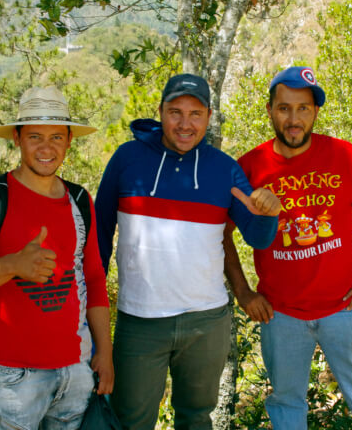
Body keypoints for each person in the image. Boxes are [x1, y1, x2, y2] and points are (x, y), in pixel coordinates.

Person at [95, 73, 281, 430]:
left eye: (195, 114)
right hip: (140, 321)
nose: (185, 124)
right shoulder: (127, 159)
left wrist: (268, 214)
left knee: (196, 420)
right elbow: (100, 237)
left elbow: (258, 238)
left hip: (206, 322)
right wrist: (89, 311)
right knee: (129, 421)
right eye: (175, 112)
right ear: (160, 112)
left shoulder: (225, 169)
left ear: (209, 116)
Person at [223, 66, 352, 430]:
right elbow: (221, 233)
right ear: (270, 110)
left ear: (315, 111)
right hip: (281, 315)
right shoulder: (250, 167)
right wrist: (243, 292)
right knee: (286, 405)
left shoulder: (343, 156)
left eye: (303, 108)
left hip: (343, 309)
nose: (294, 119)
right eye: (284, 108)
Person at [0, 86, 113, 430]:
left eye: (56, 137)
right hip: (11, 377)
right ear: (17, 139)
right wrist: (12, 265)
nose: (46, 148)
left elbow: (94, 278)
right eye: (35, 137)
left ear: (69, 141)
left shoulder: (79, 200)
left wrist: (105, 354)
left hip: (76, 372)